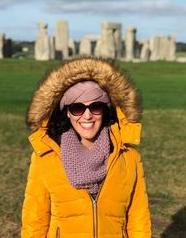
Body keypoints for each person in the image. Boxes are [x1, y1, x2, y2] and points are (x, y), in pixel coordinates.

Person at [22, 57, 151, 238]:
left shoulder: (128, 157)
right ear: (67, 112)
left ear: (105, 109)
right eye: (77, 108)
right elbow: (34, 221)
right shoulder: (45, 157)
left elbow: (138, 218)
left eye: (96, 106)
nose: (87, 115)